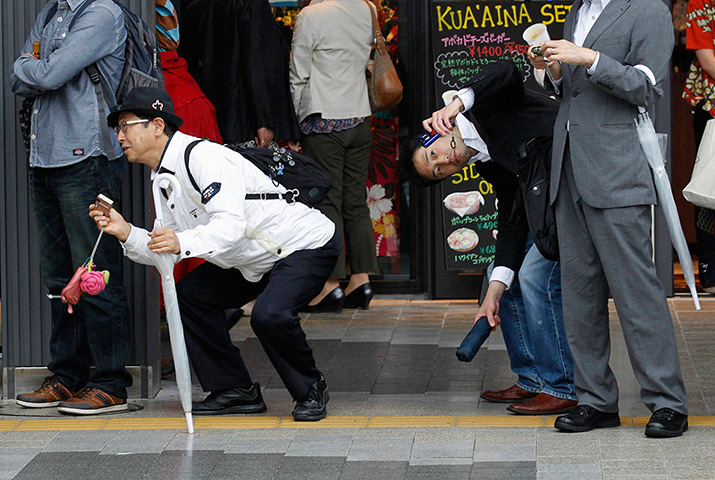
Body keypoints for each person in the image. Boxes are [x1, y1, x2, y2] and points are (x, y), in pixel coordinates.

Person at [91, 87, 340, 421]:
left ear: (157, 126)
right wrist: (125, 232)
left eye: (126, 125)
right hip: (250, 257)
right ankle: (233, 389)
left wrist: (182, 242)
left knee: (270, 314)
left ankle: (310, 387)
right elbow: (167, 250)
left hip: (303, 244)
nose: (120, 135)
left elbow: (230, 227)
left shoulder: (204, 158)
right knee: (190, 296)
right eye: (118, 128)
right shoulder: (162, 179)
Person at [528, 0, 688, 437]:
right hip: (570, 169)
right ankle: (596, 401)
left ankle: (668, 402)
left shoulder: (649, 10)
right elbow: (574, 95)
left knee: (638, 294)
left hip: (616, 169)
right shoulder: (576, 12)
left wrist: (591, 58)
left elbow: (646, 88)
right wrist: (554, 71)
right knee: (579, 298)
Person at [400, 60, 577, 415]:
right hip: (546, 207)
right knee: (501, 278)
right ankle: (531, 380)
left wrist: (457, 103)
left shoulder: (482, 105)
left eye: (434, 152)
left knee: (534, 276)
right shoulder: (487, 163)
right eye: (438, 170)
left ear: (438, 130)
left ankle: (562, 386)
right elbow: (513, 217)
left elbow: (508, 72)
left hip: (576, 184)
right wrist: (493, 293)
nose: (444, 161)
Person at [10, 0, 133, 415]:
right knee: (59, 275)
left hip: (88, 159)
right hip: (44, 155)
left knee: (95, 270)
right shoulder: (50, 13)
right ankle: (67, 376)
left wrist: (33, 65)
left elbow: (45, 73)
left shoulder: (101, 14)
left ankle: (112, 382)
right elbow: (25, 76)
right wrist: (35, 68)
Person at [290, 0, 379, 312]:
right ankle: (361, 279)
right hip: (360, 117)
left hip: (324, 119)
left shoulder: (311, 15)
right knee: (355, 200)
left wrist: (297, 119)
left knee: (328, 201)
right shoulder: (367, 8)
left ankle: (329, 285)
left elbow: (298, 73)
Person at [180, 0, 299, 146]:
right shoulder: (252, 4)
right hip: (245, 122)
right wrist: (264, 121)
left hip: (210, 121)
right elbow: (257, 64)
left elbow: (190, 64)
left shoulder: (197, 6)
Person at [683, 0, 715, 294]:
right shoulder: (701, 3)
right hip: (712, 108)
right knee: (708, 189)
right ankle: (710, 269)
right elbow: (707, 60)